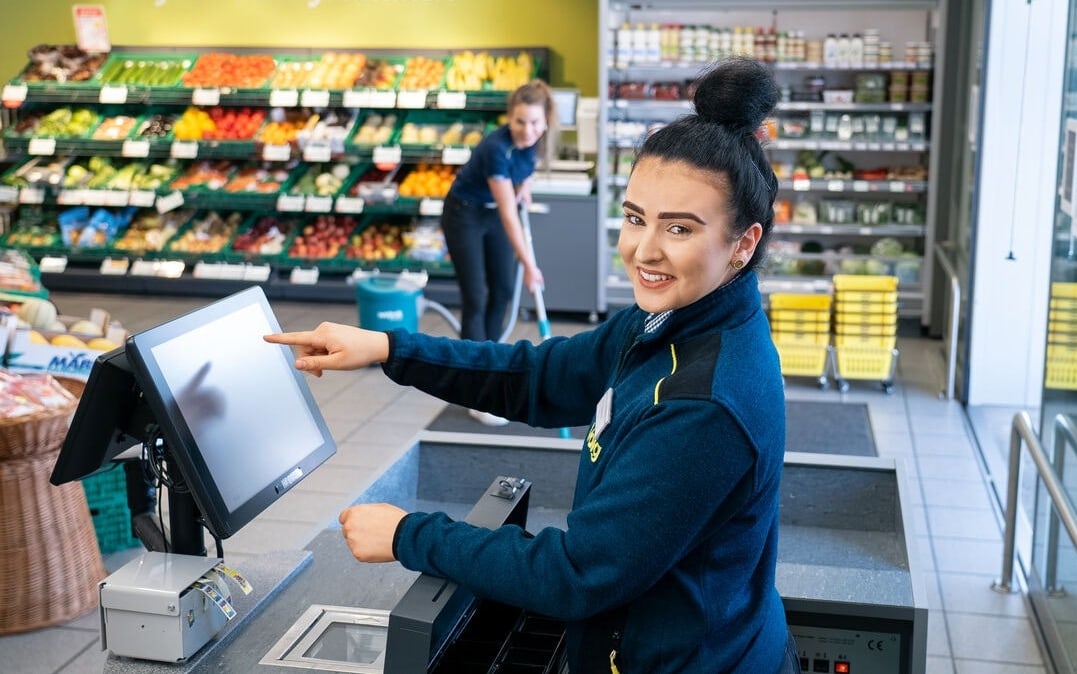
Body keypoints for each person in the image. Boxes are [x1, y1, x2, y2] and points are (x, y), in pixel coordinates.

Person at [265, 56, 797, 674]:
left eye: (679, 229)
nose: (643, 251)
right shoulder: (668, 320)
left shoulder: (706, 405)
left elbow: (577, 573)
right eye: (634, 218)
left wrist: (409, 535)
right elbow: (539, 377)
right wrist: (389, 348)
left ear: (744, 244)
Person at [440, 78, 555, 426]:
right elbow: (508, 213)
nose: (527, 130)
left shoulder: (537, 144)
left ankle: (489, 368)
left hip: (491, 212)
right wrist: (530, 265)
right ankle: (475, 388)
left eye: (535, 122)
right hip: (465, 214)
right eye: (520, 121)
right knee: (477, 296)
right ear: (509, 118)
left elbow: (524, 173)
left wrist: (525, 187)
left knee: (503, 291)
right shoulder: (495, 148)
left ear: (546, 121)